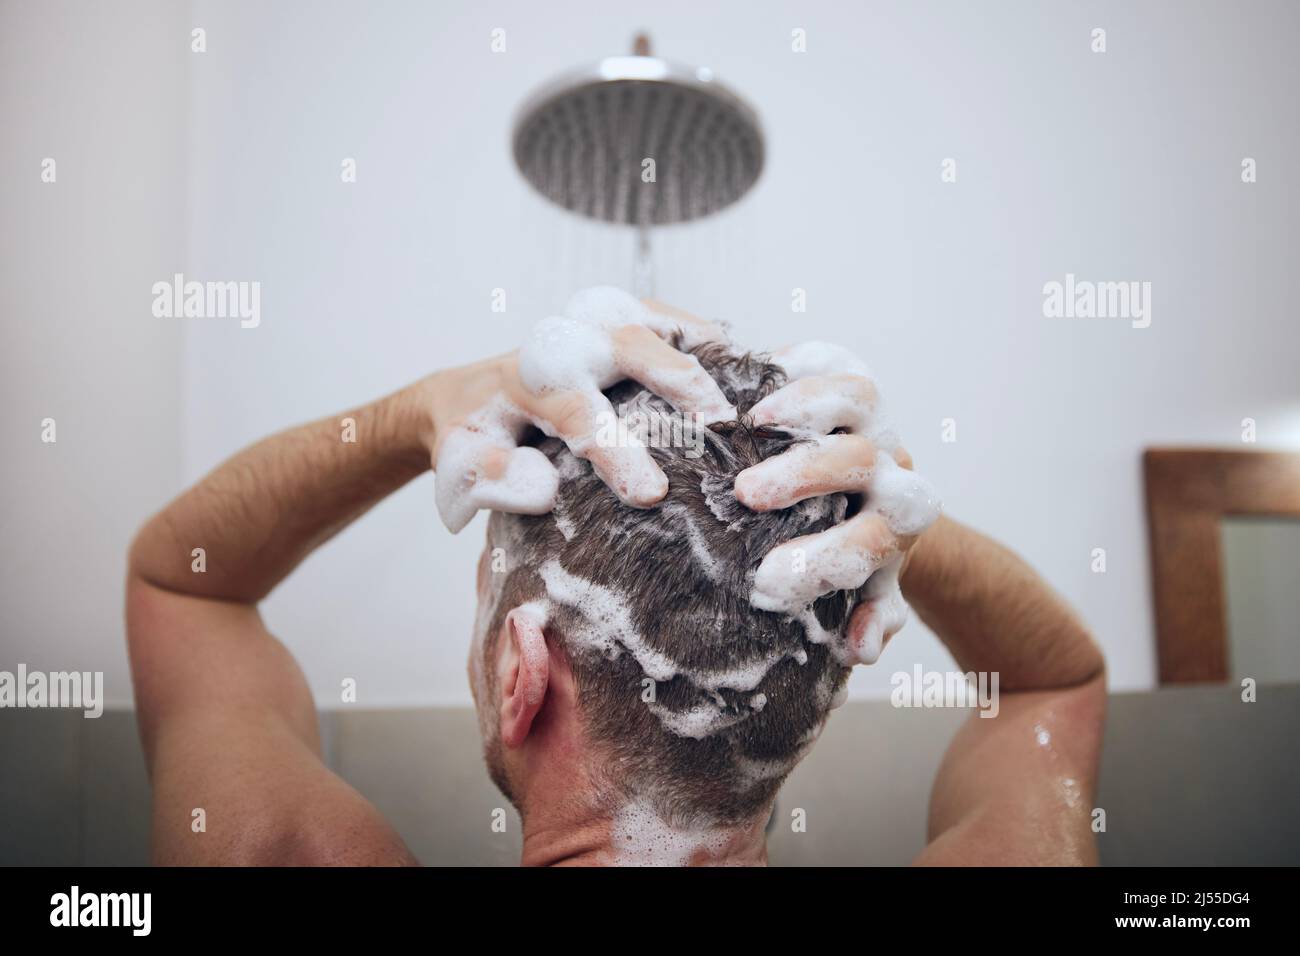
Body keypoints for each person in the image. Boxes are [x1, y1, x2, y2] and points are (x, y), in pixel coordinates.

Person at [126, 297, 1105, 866]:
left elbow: (186, 584)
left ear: (522, 676)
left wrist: (417, 414)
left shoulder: (276, 853)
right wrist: (889, 520)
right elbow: (1054, 680)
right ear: (811, 691)